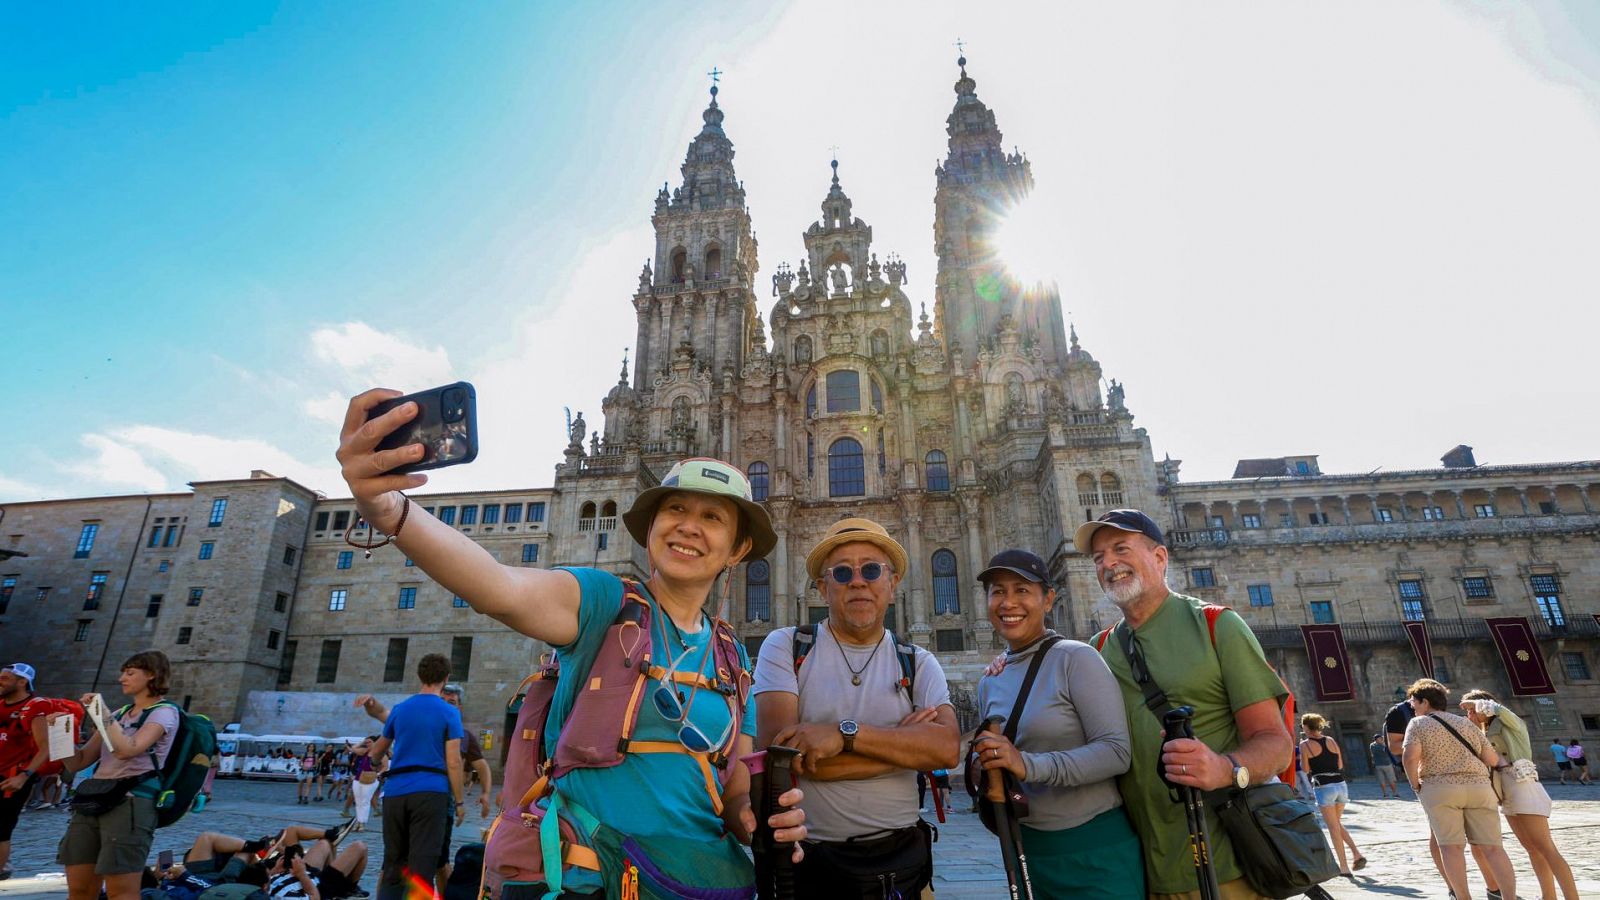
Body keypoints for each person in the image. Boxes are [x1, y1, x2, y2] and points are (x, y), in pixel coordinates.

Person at [336, 396, 804, 898]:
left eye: (713, 517)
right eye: (674, 509)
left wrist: (758, 818)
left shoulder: (733, 657)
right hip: (587, 876)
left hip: (692, 879)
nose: (689, 525)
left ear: (737, 549)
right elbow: (499, 586)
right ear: (650, 531)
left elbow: (734, 788)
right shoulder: (606, 603)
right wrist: (386, 509)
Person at [1076, 509, 1292, 900]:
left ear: (1160, 558)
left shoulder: (1216, 626)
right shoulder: (1098, 650)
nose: (1108, 563)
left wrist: (1226, 768)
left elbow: (1275, 744)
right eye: (1098, 558)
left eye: (1121, 549)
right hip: (1143, 872)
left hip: (1227, 867)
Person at [754, 517, 959, 897]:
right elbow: (779, 761)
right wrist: (907, 747)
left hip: (903, 867)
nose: (858, 581)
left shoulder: (917, 661)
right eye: (843, 572)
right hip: (807, 865)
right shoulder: (786, 647)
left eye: (871, 569)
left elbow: (946, 749)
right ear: (822, 587)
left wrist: (842, 736)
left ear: (893, 583)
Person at [971, 548, 1141, 899]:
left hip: (1093, 850)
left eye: (1022, 590)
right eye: (998, 591)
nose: (1008, 602)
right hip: (1026, 851)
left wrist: (1027, 765)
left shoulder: (1076, 658)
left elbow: (1115, 752)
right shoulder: (990, 680)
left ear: (1048, 599)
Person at [55, 650, 180, 900]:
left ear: (152, 675)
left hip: (131, 803)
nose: (122, 678)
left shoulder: (163, 713)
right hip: (94, 800)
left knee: (120, 892)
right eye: (123, 672)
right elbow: (77, 763)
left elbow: (127, 751)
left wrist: (101, 714)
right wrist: (59, 732)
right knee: (79, 889)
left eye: (130, 672)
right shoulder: (120, 714)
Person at [355, 681, 492, 894]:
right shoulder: (424, 722)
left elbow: (481, 766)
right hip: (419, 796)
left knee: (438, 861)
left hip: (441, 800)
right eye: (443, 700)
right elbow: (383, 713)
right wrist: (371, 704)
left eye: (452, 702)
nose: (447, 704)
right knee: (394, 862)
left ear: (459, 707)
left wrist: (485, 793)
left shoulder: (464, 735)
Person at [1400, 678, 1516, 900]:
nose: (1412, 707)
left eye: (1414, 702)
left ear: (1425, 702)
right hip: (1479, 788)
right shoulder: (1465, 724)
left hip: (1440, 788)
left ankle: (1463, 897)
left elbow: (1410, 757)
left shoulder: (1418, 724)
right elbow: (1491, 759)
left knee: (1451, 848)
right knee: (1493, 848)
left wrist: (1415, 784)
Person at [1460, 689, 1579, 900]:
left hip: (1522, 786)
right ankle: (1548, 896)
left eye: (1471, 710)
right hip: (1507, 793)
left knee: (1547, 848)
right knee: (1532, 849)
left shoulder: (1511, 723)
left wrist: (1472, 701)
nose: (1469, 715)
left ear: (1482, 707)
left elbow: (1498, 710)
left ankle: (1572, 897)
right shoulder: (1483, 734)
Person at [363, 653, 464, 900]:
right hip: (431, 793)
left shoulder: (400, 710)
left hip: (396, 792)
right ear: (446, 678)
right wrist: (459, 802)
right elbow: (453, 761)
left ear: (419, 676)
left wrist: (376, 763)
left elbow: (376, 751)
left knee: (393, 863)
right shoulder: (449, 712)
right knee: (422, 867)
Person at [0, 662, 51, 880]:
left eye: (5, 678)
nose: (0, 682)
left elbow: (46, 747)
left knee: (1, 830)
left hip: (13, 776)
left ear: (22, 682)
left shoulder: (33, 707)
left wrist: (25, 775)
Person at [1299, 714, 1363, 878]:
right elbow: (1340, 764)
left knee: (1333, 828)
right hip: (1341, 785)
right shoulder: (1331, 740)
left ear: (1307, 727)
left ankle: (1344, 867)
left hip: (1324, 786)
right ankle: (1356, 854)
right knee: (1336, 823)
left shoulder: (1305, 745)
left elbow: (1305, 770)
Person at [1368, 732, 1401, 799]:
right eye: (1380, 738)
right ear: (1377, 739)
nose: (1382, 739)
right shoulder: (1384, 745)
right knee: (1391, 779)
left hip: (1378, 765)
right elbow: (1388, 751)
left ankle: (1385, 794)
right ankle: (1395, 793)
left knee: (1382, 780)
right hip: (1387, 765)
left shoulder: (1372, 745)